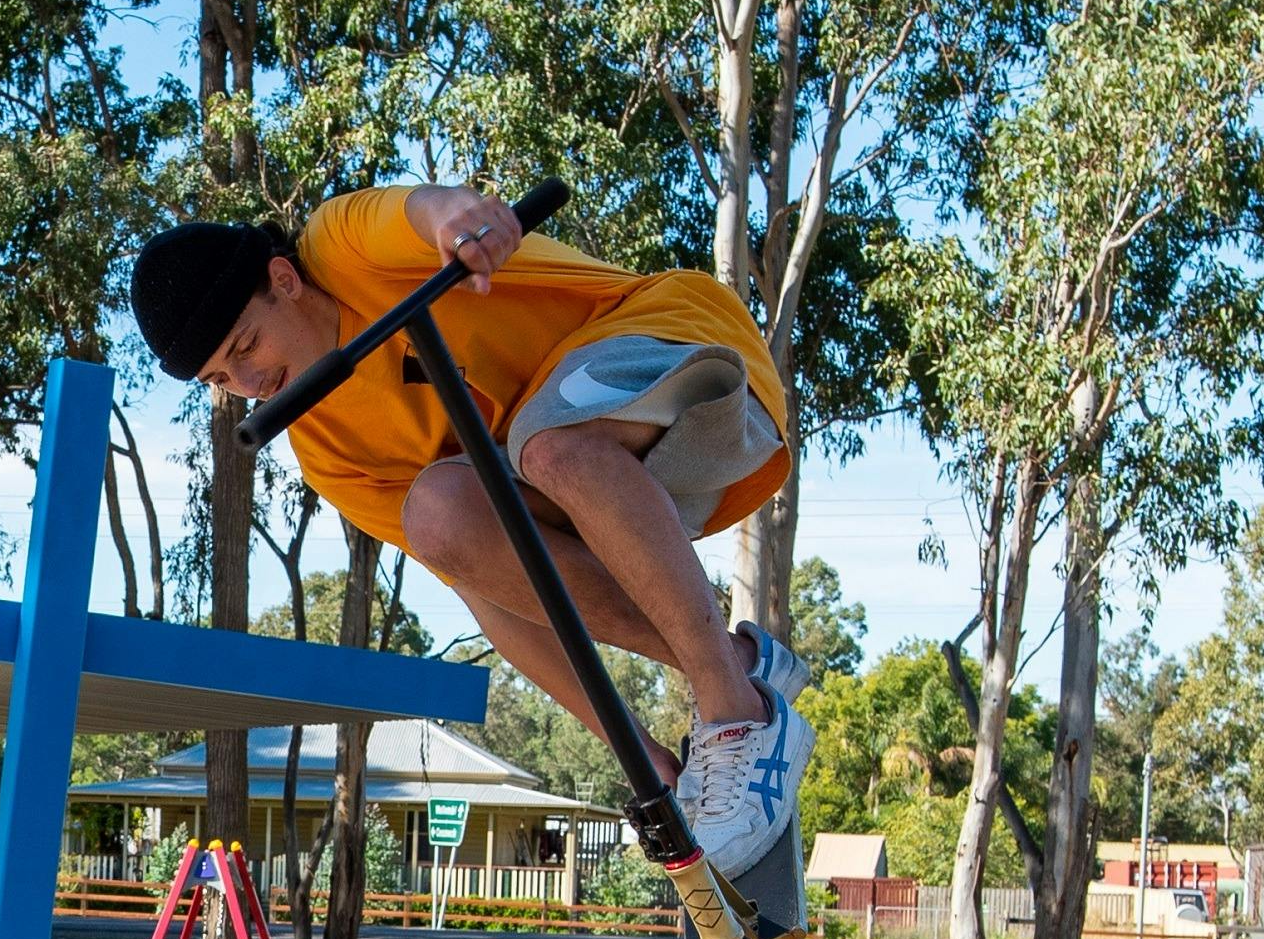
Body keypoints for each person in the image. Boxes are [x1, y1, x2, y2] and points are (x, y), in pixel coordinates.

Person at [130, 183, 813, 871]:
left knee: (545, 445)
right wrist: (639, 752)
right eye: (223, 376)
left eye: (246, 344)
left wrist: (459, 221)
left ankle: (738, 710)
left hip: (684, 354)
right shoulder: (328, 455)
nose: (248, 379)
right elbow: (495, 591)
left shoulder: (335, 245)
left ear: (284, 280)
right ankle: (741, 665)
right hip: (618, 486)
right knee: (443, 519)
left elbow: (419, 214)